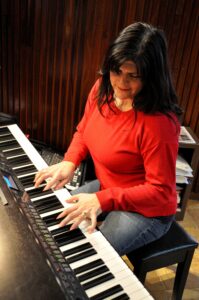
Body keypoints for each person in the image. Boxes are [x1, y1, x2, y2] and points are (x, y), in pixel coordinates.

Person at [34, 22, 182, 256]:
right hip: (109, 188)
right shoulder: (102, 89)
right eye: (117, 72)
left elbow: (160, 191)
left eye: (133, 76)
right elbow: (83, 131)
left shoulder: (159, 123)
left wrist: (103, 200)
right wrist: (69, 162)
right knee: (49, 222)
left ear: (152, 77)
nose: (121, 84)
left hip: (147, 210)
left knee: (85, 256)